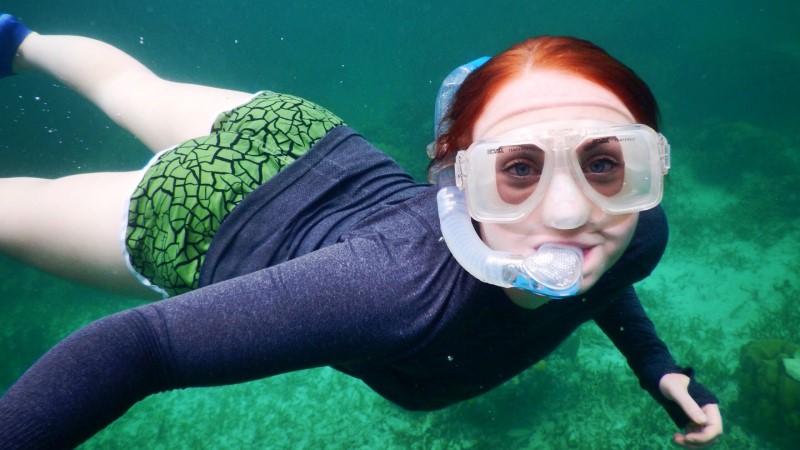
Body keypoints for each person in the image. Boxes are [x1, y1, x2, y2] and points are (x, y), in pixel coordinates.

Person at [0, 13, 722, 449]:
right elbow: (140, 349)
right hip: (201, 218)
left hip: (299, 133)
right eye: (519, 169)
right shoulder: (390, 291)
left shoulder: (638, 236)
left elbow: (597, 279)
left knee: (137, 90)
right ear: (457, 178)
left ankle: (17, 41)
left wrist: (656, 368)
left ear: (646, 166)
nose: (569, 214)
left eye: (603, 164)